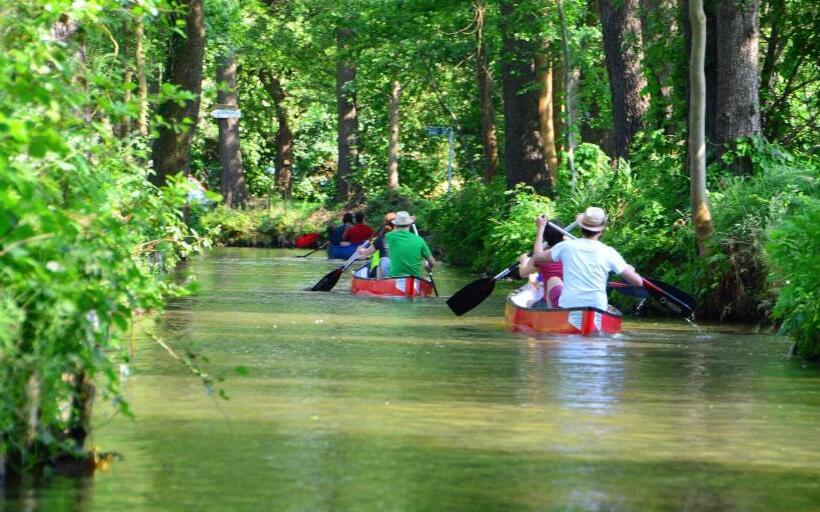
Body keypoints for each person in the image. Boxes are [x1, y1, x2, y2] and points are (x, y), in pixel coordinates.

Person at [528, 207, 644, 311]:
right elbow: (638, 282)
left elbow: (537, 258)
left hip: (569, 306)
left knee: (553, 280)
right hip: (597, 307)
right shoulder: (609, 252)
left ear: (580, 227)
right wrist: (630, 269)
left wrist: (541, 228)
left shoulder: (566, 246)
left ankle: (552, 317)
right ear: (601, 230)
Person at [516, 220, 567, 307]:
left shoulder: (541, 257)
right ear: (563, 234)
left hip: (548, 302)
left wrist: (523, 262)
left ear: (545, 236)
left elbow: (523, 273)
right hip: (570, 302)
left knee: (529, 302)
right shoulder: (572, 252)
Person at [382, 211, 435, 278]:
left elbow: (394, 231)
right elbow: (432, 262)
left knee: (383, 260)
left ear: (395, 225)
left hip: (395, 279)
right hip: (413, 279)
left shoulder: (389, 236)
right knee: (425, 278)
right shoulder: (419, 240)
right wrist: (428, 267)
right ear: (410, 224)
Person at [356, 212, 396, 276]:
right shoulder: (403, 239)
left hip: (380, 270)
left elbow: (364, 255)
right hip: (397, 270)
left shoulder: (380, 239)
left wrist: (359, 249)